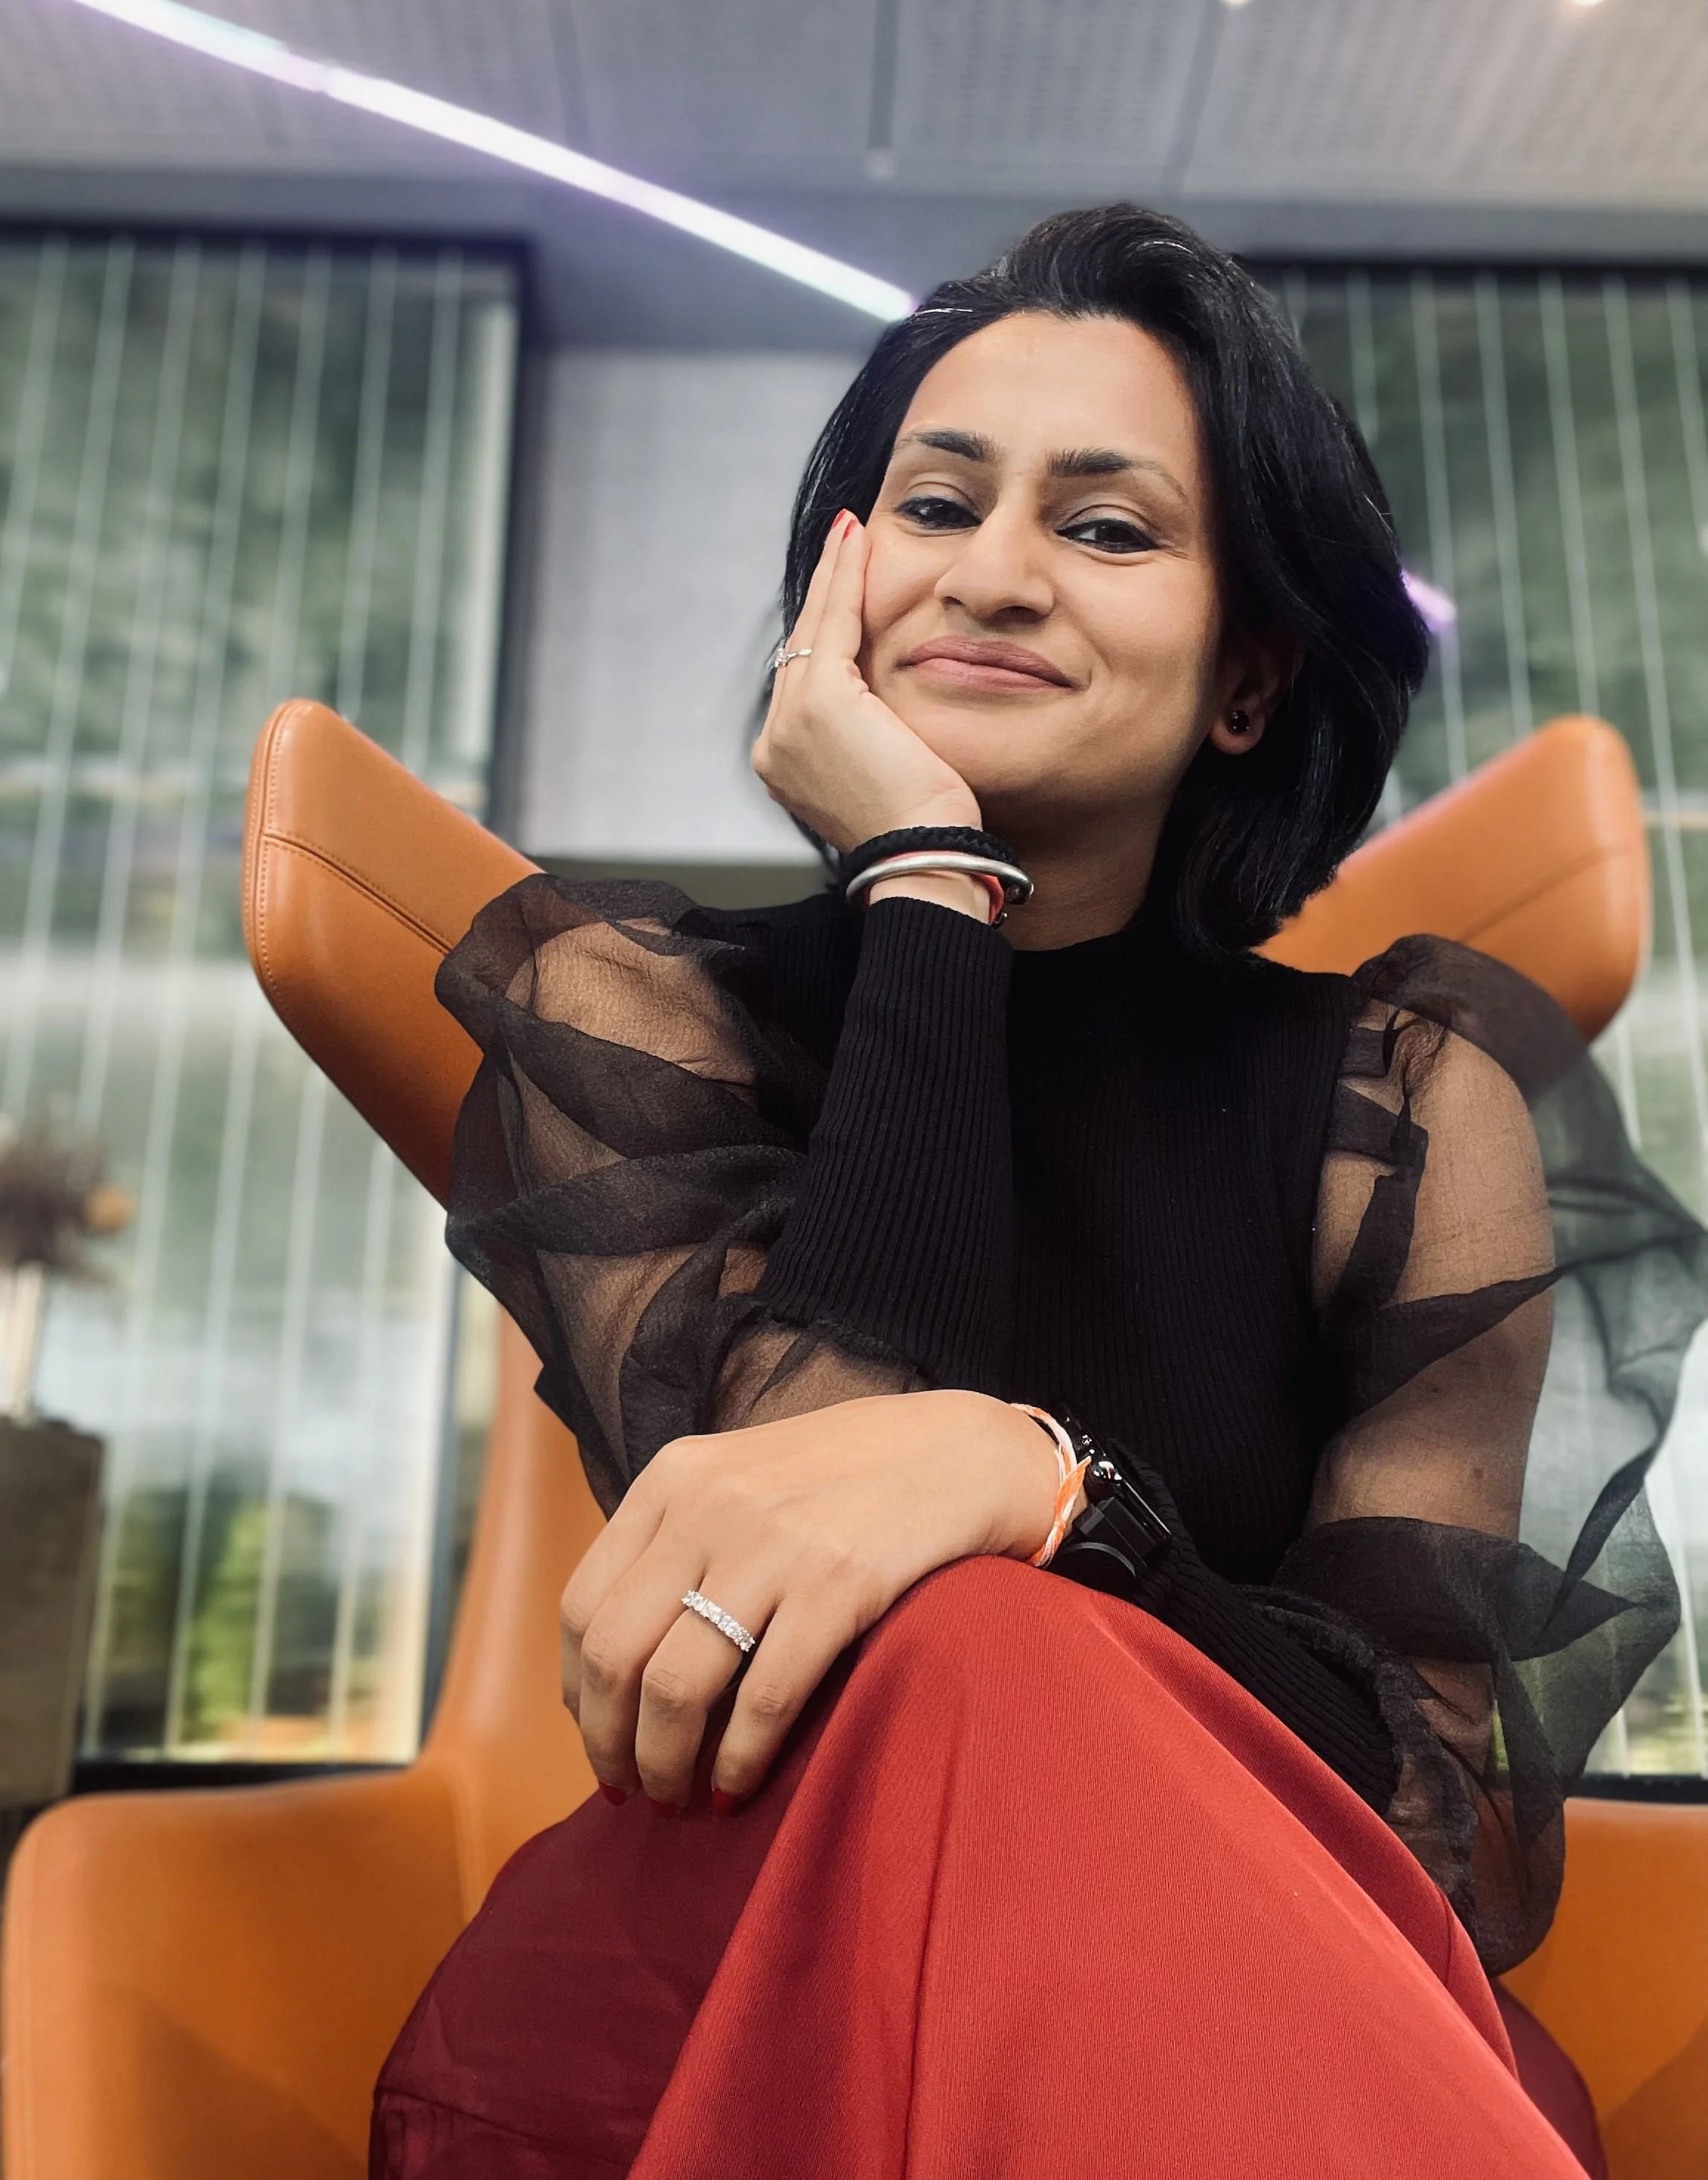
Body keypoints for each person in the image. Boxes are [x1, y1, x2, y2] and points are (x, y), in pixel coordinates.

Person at [370, 207, 1701, 2179]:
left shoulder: (1406, 1110)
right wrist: (928, 881)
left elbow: (1422, 1812)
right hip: (721, 1997)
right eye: (934, 503)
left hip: (1235, 2011)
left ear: (1247, 680)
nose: (991, 572)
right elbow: (821, 1584)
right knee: (962, 1646)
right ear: (840, 587)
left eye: (1105, 527)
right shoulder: (635, 1009)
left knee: (1007, 1634)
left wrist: (1057, 1496)